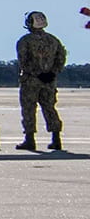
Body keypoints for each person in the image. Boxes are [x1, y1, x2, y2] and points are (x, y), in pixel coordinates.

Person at [15, 11, 66, 151]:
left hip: (31, 81)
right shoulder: (53, 40)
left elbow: (23, 62)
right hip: (49, 81)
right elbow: (61, 57)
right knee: (49, 108)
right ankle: (56, 139)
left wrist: (37, 73)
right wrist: (52, 72)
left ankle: (30, 139)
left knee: (29, 109)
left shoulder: (25, 41)